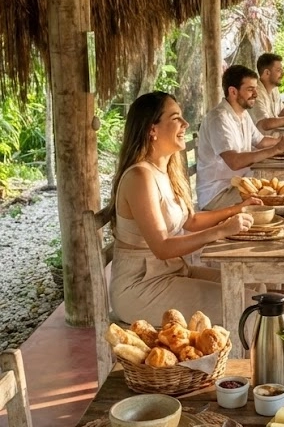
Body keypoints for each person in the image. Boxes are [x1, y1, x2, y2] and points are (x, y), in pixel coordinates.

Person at [107, 92, 258, 327]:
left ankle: (236, 360)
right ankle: (233, 363)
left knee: (254, 288)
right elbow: (162, 247)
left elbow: (190, 221)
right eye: (176, 117)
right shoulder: (139, 177)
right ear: (152, 129)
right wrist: (221, 231)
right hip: (140, 287)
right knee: (245, 303)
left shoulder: (165, 170)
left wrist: (237, 209)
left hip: (171, 273)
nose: (185, 124)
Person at [196, 64, 284, 209]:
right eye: (250, 89)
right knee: (274, 201)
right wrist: (275, 149)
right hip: (218, 193)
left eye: (255, 88)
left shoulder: (242, 113)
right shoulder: (219, 119)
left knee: (282, 193)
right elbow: (234, 162)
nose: (256, 94)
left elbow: (260, 141)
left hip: (241, 185)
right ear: (233, 91)